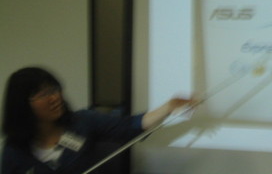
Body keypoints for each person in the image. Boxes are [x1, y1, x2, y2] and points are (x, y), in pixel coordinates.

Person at [1, 67, 196, 174]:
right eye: (43, 94)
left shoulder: (82, 122)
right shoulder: (14, 151)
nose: (55, 98)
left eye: (54, 89)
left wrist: (168, 107)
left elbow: (130, 126)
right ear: (22, 104)